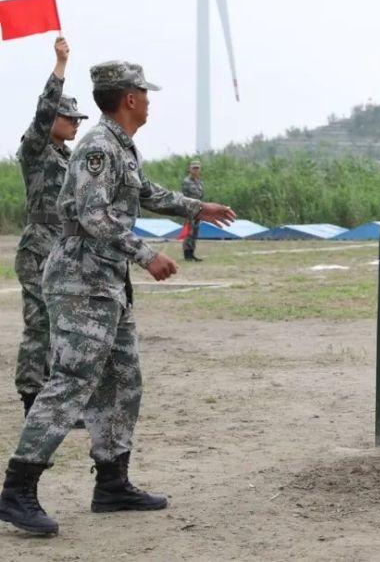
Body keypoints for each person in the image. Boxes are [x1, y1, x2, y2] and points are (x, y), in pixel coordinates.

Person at [0, 60, 237, 536]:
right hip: (80, 280)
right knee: (71, 381)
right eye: (144, 93)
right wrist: (147, 254)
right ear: (129, 98)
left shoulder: (120, 147)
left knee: (122, 380)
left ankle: (112, 483)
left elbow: (144, 191)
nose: (149, 99)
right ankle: (16, 490)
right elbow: (93, 215)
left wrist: (197, 207)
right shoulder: (97, 148)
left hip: (107, 282)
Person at [13, 37, 88, 418]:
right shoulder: (36, 148)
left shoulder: (67, 157)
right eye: (70, 117)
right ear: (52, 120)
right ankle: (31, 400)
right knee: (40, 325)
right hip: (38, 247)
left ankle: (53, 401)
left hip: (62, 247)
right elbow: (43, 111)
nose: (76, 124)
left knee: (63, 324)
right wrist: (60, 65)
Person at [181, 160, 204, 261]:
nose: (196, 170)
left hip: (198, 210)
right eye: (194, 168)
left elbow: (200, 196)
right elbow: (185, 197)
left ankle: (192, 253)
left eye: (197, 168)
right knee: (189, 232)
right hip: (189, 210)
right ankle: (187, 254)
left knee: (195, 232)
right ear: (190, 169)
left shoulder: (200, 182)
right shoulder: (186, 181)